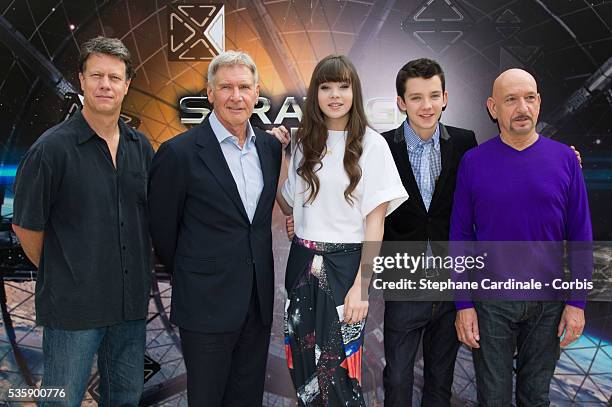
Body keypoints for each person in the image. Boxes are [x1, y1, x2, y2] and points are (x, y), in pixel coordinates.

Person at [11, 36, 153, 406]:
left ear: (127, 84)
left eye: (114, 77)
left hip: (129, 308)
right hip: (74, 310)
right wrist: (65, 272)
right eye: (96, 75)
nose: (105, 84)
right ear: (82, 80)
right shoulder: (51, 149)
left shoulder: (141, 148)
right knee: (61, 401)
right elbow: (26, 226)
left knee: (124, 398)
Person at [451, 68, 592, 406]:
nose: (522, 108)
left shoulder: (564, 161)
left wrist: (577, 303)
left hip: (548, 303)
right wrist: (463, 303)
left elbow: (581, 233)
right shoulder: (473, 162)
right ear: (492, 107)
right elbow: (458, 235)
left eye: (529, 98)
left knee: (535, 397)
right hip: (490, 304)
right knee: (493, 398)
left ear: (539, 103)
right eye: (511, 99)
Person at [148, 51, 282, 406]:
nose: (235, 96)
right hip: (205, 305)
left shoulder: (269, 148)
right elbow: (163, 231)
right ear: (210, 93)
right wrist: (199, 274)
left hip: (256, 302)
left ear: (256, 94)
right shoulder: (178, 153)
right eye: (226, 87)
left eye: (243, 87)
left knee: (247, 399)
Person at [274, 54, 408, 406]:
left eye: (343, 87)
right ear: (315, 94)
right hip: (301, 266)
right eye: (326, 86)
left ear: (355, 92)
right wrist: (280, 156)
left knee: (339, 374)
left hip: (346, 270)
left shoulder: (372, 145)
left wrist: (361, 288)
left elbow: (375, 224)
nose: (335, 95)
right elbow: (290, 205)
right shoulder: (303, 143)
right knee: (304, 375)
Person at [379, 58, 477, 406]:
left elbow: (490, 188)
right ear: (401, 102)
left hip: (450, 284)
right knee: (399, 378)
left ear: (446, 97)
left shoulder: (465, 143)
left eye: (434, 95)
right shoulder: (380, 146)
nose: (427, 105)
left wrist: (564, 157)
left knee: (440, 380)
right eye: (417, 97)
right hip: (403, 281)